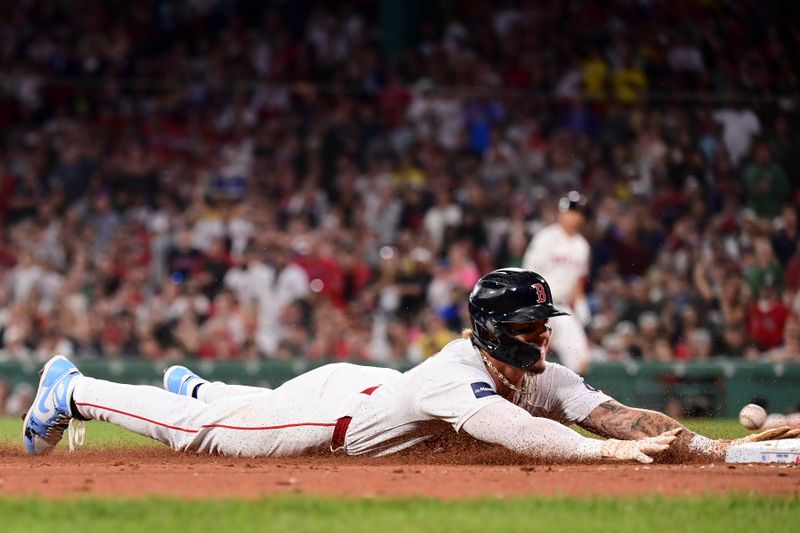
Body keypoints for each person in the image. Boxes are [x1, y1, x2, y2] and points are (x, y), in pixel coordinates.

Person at [23, 269, 798, 463]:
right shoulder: (456, 373)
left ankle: (205, 385)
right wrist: (607, 455)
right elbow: (517, 434)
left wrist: (722, 448)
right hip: (334, 417)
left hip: (368, 386)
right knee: (206, 434)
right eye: (532, 323)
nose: (544, 335)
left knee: (233, 404)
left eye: (544, 322)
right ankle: (74, 388)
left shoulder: (539, 372)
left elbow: (622, 419)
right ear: (498, 328)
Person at [522, 191, 592, 374]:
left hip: (561, 308)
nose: (573, 216)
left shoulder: (582, 246)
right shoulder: (546, 238)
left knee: (581, 363)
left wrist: (581, 303)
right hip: (538, 305)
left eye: (577, 212)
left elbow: (578, 280)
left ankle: (569, 401)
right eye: (569, 211)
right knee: (527, 361)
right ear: (561, 213)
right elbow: (529, 274)